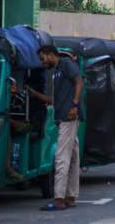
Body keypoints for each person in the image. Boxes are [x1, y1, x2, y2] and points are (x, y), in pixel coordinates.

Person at [28, 45, 84, 211]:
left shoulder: (66, 64)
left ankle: (59, 199)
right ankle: (71, 197)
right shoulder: (57, 71)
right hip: (65, 117)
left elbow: (79, 81)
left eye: (42, 58)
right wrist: (35, 94)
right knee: (73, 159)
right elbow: (54, 100)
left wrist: (74, 104)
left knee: (61, 158)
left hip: (69, 118)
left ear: (50, 54)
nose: (42, 62)